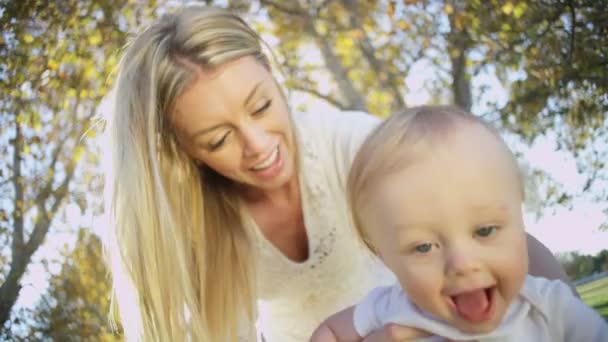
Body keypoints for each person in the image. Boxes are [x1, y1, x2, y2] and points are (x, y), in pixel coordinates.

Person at [103, 4, 574, 341]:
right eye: (218, 140)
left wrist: (558, 310)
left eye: (262, 106)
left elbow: (483, 234)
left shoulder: (351, 145)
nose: (259, 146)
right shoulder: (188, 222)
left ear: (271, 70)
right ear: (186, 151)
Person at [310, 106, 608, 342]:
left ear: (520, 218)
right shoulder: (393, 307)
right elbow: (332, 332)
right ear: (385, 259)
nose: (462, 264)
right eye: (424, 247)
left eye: (485, 230)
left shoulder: (550, 309)